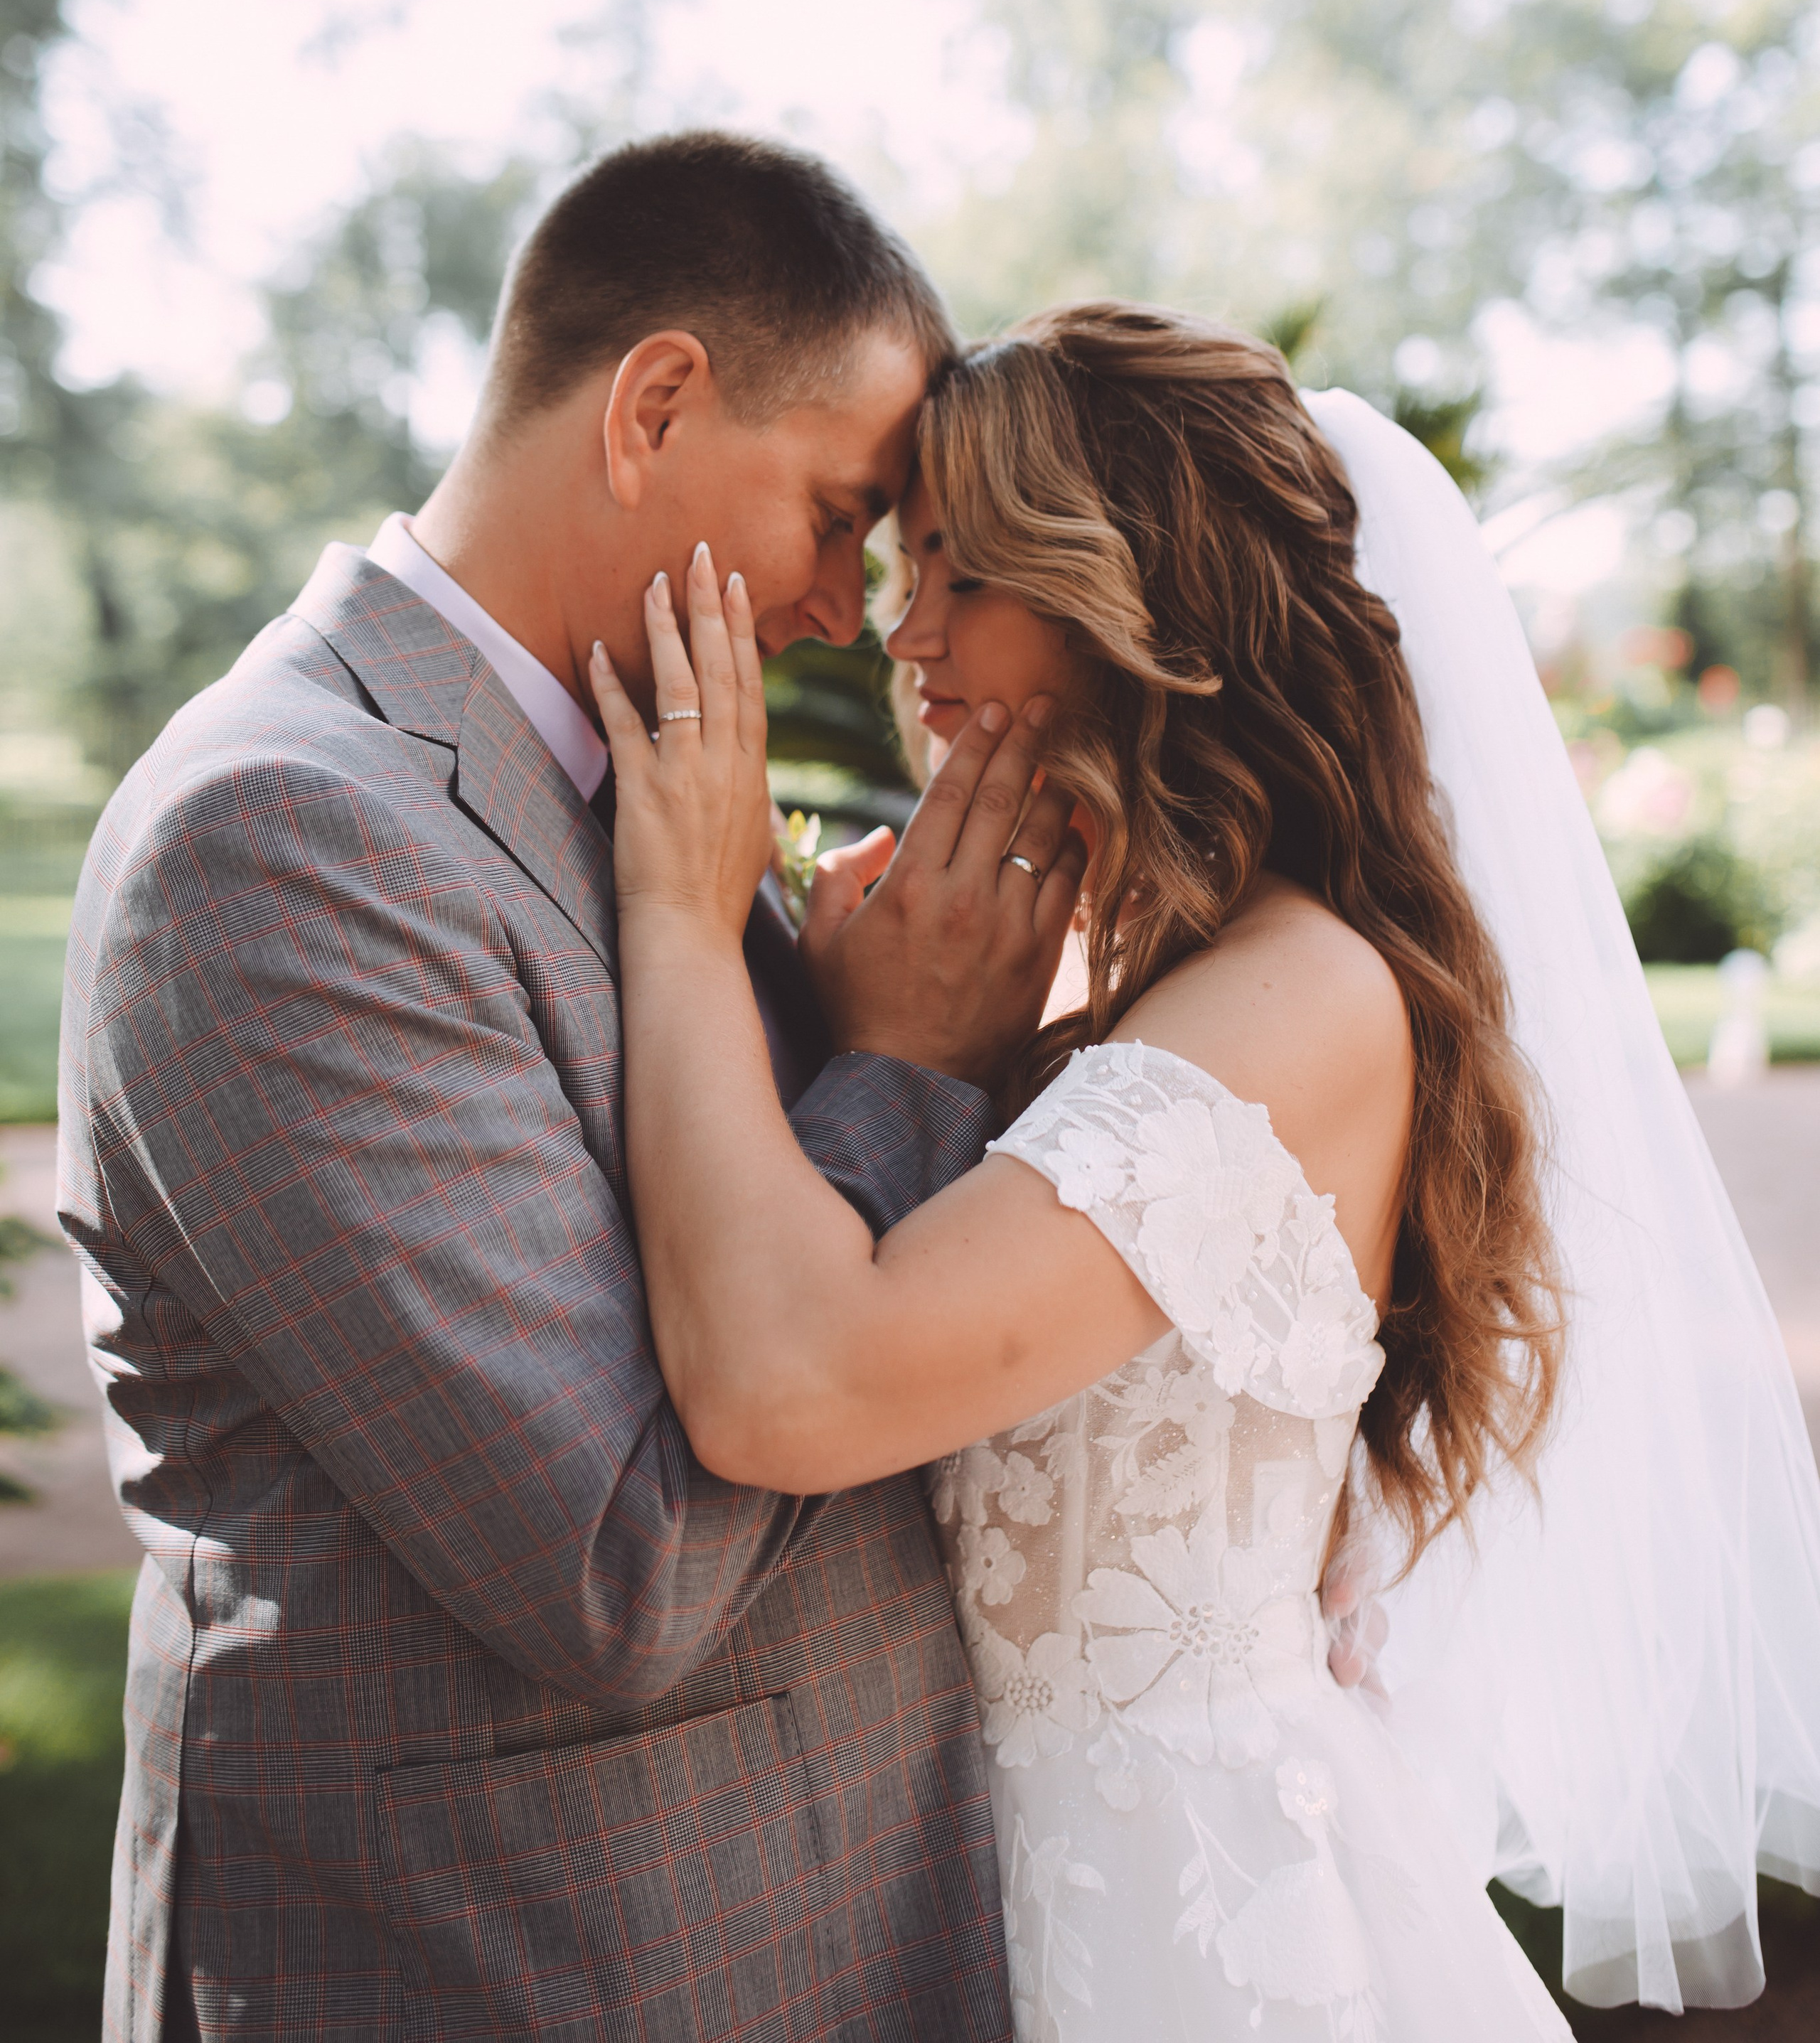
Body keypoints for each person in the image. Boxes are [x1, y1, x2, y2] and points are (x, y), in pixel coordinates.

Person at [589, 300, 1820, 2037]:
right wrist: (896, 1041)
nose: (904, 636)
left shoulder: (1301, 997)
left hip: (1186, 1918)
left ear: (1136, 598)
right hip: (959, 1890)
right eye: (908, 570)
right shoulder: (1084, 982)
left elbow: (793, 1382)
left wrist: (678, 911)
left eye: (964, 573)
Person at [60, 132, 1070, 2042]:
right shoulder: (278, 838)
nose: (848, 610)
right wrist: (906, 1066)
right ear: (654, 407)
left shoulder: (649, 777)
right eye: (837, 516)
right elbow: (623, 1566)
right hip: (517, 1962)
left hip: (814, 1920)